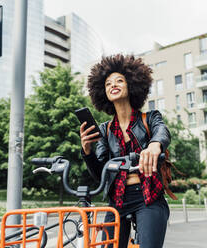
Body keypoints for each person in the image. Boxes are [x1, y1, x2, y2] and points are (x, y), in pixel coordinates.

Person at [80, 54, 171, 248]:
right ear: (103, 92)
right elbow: (100, 174)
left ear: (131, 85)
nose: (113, 84)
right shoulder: (104, 130)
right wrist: (87, 151)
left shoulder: (150, 117)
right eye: (107, 83)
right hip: (118, 200)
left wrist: (155, 145)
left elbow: (162, 131)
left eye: (119, 80)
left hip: (148, 197)